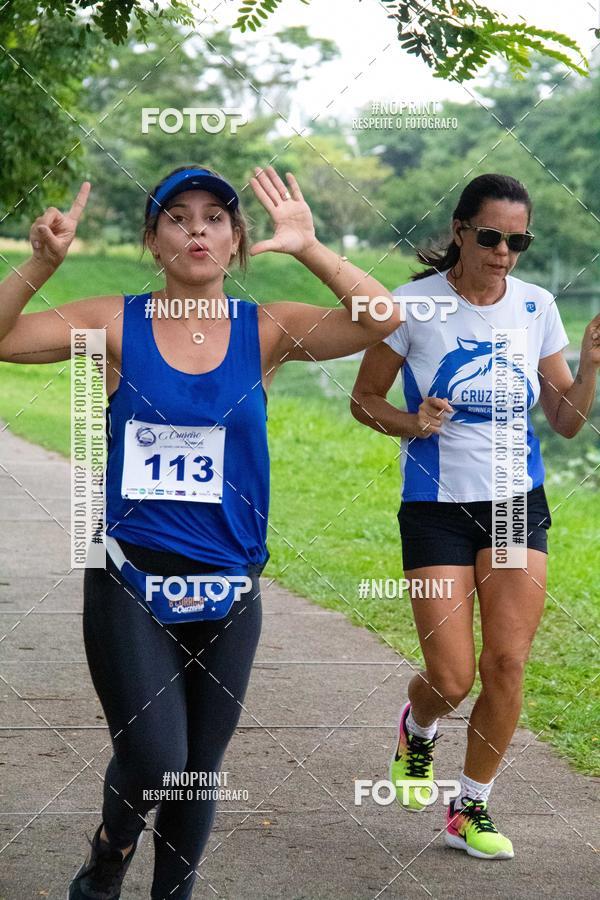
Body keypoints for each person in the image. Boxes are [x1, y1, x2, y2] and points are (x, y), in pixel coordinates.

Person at [0, 164, 402, 899]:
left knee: (195, 773)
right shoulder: (114, 323)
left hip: (230, 583)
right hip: (131, 575)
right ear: (153, 239)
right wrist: (40, 266)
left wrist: (310, 247)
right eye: (177, 217)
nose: (197, 229)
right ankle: (109, 854)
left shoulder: (267, 328)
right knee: (156, 758)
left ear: (237, 239)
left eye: (215, 217)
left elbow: (383, 320)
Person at [350, 173, 600, 859]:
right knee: (453, 678)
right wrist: (413, 422)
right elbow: (365, 399)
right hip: (436, 508)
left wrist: (588, 370)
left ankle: (470, 807)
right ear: (459, 231)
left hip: (516, 505)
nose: (503, 253)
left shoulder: (536, 305)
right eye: (490, 237)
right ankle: (418, 727)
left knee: (508, 662)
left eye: (518, 242)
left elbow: (565, 421)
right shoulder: (412, 306)